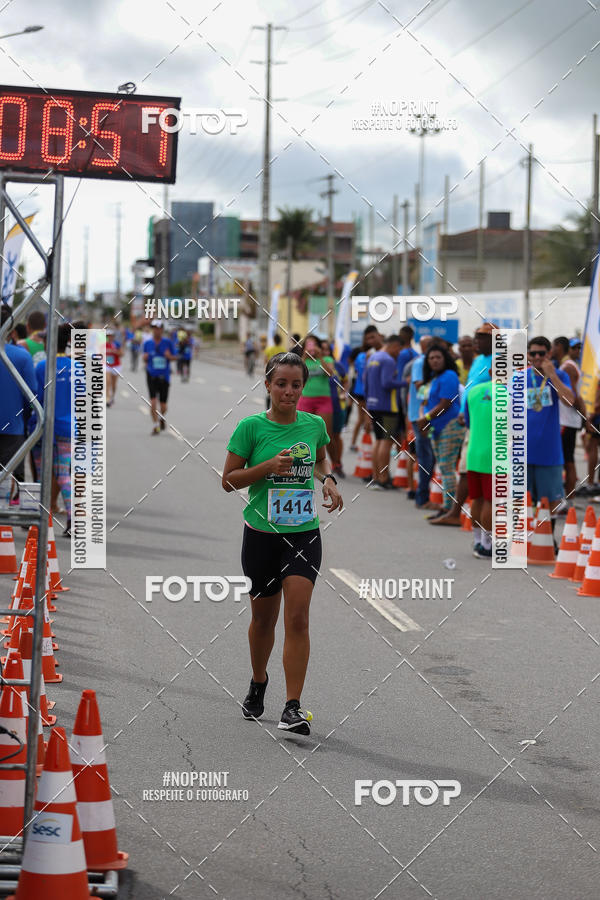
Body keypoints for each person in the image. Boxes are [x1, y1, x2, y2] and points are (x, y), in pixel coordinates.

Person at [222, 351, 343, 735]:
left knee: (298, 616)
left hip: (303, 533)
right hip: (261, 535)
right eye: (281, 384)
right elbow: (228, 480)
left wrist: (328, 480)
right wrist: (266, 468)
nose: (289, 392)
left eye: (296, 385)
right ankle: (259, 681)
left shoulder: (313, 424)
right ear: (268, 385)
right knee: (263, 619)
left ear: (303, 387)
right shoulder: (251, 428)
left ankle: (293, 706)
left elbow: (322, 458)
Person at [527, 336, 574, 525]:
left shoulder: (560, 375)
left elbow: (570, 401)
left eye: (542, 353)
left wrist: (552, 375)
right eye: (533, 353)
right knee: (523, 502)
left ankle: (548, 542)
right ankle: (524, 543)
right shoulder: (520, 377)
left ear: (549, 354)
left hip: (549, 451)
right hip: (523, 451)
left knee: (549, 503)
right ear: (528, 355)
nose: (537, 357)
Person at [33, 323, 73, 536]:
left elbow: (35, 399)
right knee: (63, 474)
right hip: (68, 428)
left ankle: (40, 518)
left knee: (41, 474)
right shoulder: (76, 367)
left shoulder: (42, 367)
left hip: (44, 427)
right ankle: (73, 519)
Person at [416, 343, 464, 519]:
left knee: (447, 467)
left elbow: (446, 403)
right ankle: (446, 507)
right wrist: (424, 420)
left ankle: (449, 510)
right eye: (431, 358)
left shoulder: (449, 376)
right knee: (443, 468)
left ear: (446, 359)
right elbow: (424, 402)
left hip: (450, 425)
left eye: (438, 357)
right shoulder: (433, 379)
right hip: (436, 427)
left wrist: (426, 419)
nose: (434, 361)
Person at [0, 305, 36, 503]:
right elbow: (32, 395)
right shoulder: (22, 356)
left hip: (15, 425)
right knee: (9, 477)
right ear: (12, 329)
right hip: (13, 427)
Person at [363, 334, 406, 489]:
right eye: (399, 349)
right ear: (394, 346)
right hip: (388, 406)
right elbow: (387, 382)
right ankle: (383, 478)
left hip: (373, 404)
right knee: (386, 443)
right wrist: (404, 383)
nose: (399, 353)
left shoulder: (373, 357)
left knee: (378, 440)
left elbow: (365, 382)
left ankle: (376, 476)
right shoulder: (388, 360)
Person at [551, 335, 586, 501]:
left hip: (566, 420)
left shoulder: (567, 367)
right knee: (567, 458)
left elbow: (573, 396)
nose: (577, 351)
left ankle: (569, 498)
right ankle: (568, 497)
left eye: (579, 348)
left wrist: (583, 417)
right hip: (568, 420)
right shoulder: (570, 365)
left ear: (559, 347)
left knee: (567, 460)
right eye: (575, 348)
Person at [464, 375, 494, 559]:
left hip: (473, 452)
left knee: (477, 499)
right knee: (491, 501)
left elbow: (468, 421)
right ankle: (487, 545)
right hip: (495, 454)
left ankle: (477, 541)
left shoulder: (473, 391)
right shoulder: (512, 394)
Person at [406, 335, 436, 508]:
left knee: (429, 456)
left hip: (430, 415)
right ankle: (422, 497)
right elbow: (419, 387)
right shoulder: (420, 363)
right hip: (421, 416)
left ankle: (425, 494)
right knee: (425, 456)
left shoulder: (431, 363)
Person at [297, 336, 336, 462]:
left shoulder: (326, 359)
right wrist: (303, 357)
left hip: (323, 400)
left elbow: (330, 373)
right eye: (308, 345)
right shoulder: (302, 361)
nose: (311, 348)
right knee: (304, 433)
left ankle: (335, 462)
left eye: (314, 345)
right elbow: (296, 374)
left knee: (326, 434)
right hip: (306, 400)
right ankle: (309, 461)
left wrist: (319, 358)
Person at [143, 320, 176, 435]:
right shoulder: (148, 343)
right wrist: (145, 357)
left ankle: (161, 418)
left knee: (163, 405)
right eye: (154, 328)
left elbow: (175, 357)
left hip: (164, 376)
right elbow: (144, 357)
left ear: (162, 329)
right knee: (153, 402)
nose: (156, 330)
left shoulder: (168, 342)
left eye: (158, 328)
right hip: (151, 375)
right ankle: (156, 425)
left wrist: (169, 356)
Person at [105, 328, 122, 407]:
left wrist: (115, 351)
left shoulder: (117, 344)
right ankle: (107, 398)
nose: (109, 337)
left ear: (113, 337)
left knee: (113, 384)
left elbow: (122, 354)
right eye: (107, 336)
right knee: (107, 381)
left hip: (116, 365)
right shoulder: (103, 344)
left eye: (110, 336)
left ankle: (112, 396)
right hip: (107, 365)